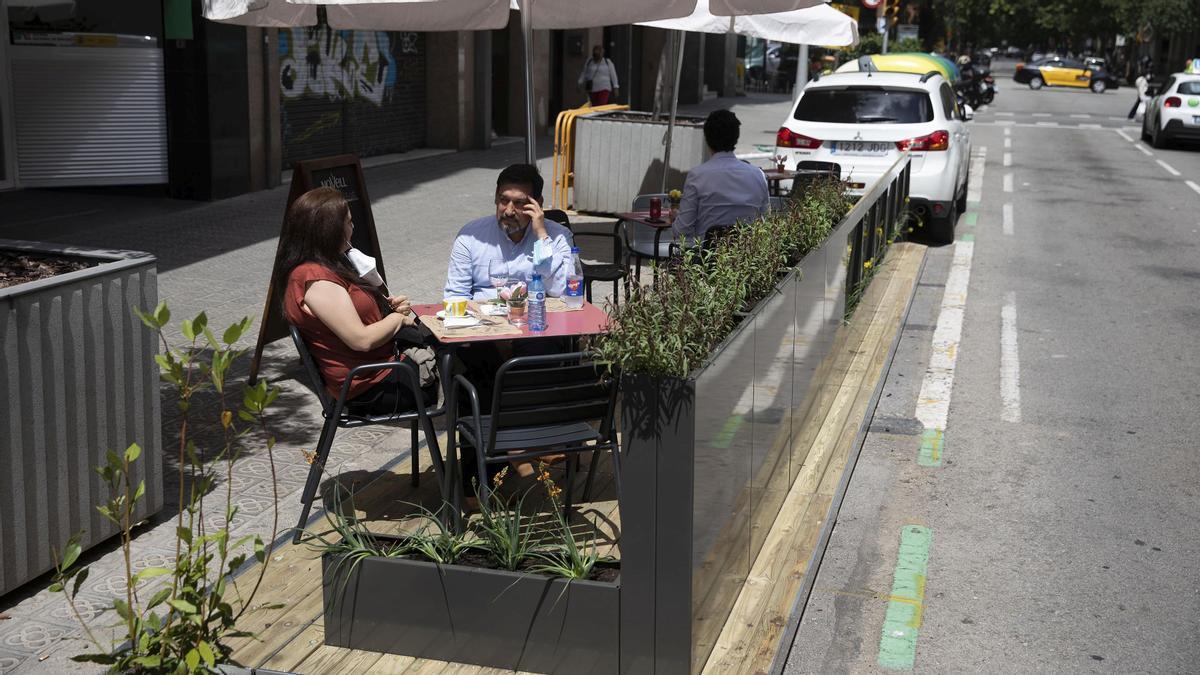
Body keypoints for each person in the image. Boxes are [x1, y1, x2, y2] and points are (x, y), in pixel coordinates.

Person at [276, 186, 431, 414]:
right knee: (468, 373)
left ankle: (483, 441)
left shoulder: (328, 266)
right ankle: (484, 444)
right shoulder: (315, 278)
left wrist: (387, 311)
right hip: (373, 385)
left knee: (470, 359)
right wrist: (397, 320)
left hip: (383, 370)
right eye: (348, 222)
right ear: (329, 230)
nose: (353, 227)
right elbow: (361, 340)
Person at [444, 163, 574, 300]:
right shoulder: (471, 236)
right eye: (504, 200)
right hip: (482, 317)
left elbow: (564, 291)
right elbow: (456, 295)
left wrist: (542, 237)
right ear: (495, 197)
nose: (509, 211)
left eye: (519, 203)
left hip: (536, 316)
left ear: (538, 203)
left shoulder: (558, 236)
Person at [671, 109, 770, 243]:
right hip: (746, 260)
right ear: (736, 138)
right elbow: (767, 224)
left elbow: (681, 231)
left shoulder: (697, 176)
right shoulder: (758, 175)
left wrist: (676, 219)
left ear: (706, 139)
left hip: (705, 260)